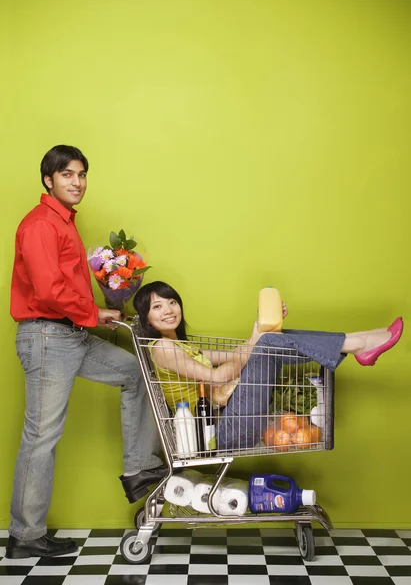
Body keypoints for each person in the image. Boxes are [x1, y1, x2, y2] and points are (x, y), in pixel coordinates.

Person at [7, 145, 167, 560]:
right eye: (67, 175)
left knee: (135, 372)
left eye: (81, 175)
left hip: (71, 336)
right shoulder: (41, 224)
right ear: (49, 180)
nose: (76, 182)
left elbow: (67, 288)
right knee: (42, 436)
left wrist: (100, 313)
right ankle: (25, 534)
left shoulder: (64, 224)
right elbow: (48, 291)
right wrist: (93, 313)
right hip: (47, 338)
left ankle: (139, 468)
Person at [133, 280, 403, 450]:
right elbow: (216, 378)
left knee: (270, 339)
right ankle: (358, 343)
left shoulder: (183, 346)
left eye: (172, 302)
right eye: (157, 307)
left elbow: (234, 354)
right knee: (268, 342)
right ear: (146, 318)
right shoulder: (163, 348)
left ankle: (357, 342)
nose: (168, 310)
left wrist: (259, 330)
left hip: (232, 421)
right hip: (222, 433)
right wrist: (261, 338)